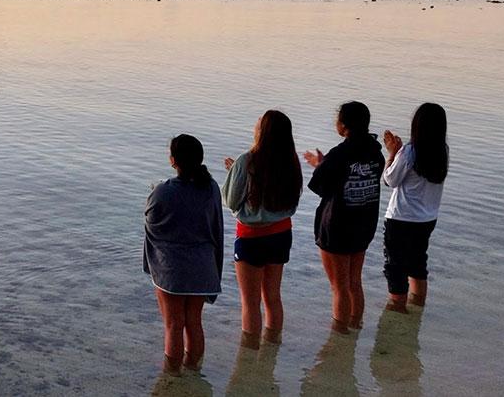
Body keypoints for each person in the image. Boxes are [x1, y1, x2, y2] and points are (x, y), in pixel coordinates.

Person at [144, 134, 224, 375]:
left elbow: (151, 223)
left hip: (172, 271)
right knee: (194, 323)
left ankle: (172, 378)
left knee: (173, 325)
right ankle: (193, 371)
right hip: (202, 267)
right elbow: (216, 225)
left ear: (173, 161)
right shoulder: (210, 187)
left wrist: (154, 194)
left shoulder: (163, 191)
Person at [222, 110, 302, 350]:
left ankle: (249, 356)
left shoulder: (246, 160)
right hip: (281, 234)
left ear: (262, 132)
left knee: (250, 302)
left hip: (251, 237)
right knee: (273, 297)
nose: (254, 125)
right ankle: (272, 349)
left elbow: (230, 201)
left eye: (258, 123)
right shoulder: (291, 160)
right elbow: (292, 200)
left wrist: (234, 173)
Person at [304, 101, 384, 334]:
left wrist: (320, 165)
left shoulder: (339, 154)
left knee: (339, 287)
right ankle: (355, 327)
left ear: (344, 126)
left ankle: (340, 336)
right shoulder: (376, 152)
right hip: (364, 223)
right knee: (354, 283)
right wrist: (323, 164)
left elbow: (320, 187)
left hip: (338, 227)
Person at [381, 103, 448, 313]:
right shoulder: (442, 151)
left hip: (402, 218)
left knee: (396, 267)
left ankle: (397, 307)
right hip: (427, 219)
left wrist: (392, 153)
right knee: (418, 263)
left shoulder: (410, 151)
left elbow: (390, 180)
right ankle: (417, 305)